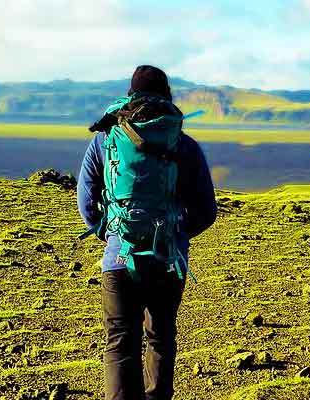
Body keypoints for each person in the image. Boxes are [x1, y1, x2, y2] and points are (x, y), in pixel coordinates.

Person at [77, 65, 217, 400]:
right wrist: (177, 234)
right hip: (168, 259)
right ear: (167, 97)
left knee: (120, 341)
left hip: (119, 257)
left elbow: (86, 201)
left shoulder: (104, 140)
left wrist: (110, 233)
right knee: (161, 337)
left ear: (130, 96)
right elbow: (207, 211)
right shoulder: (185, 145)